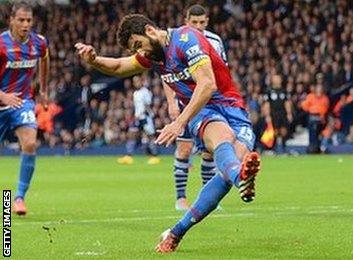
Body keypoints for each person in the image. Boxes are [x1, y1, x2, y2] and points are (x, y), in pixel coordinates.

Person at [75, 13, 260, 253]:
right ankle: (242, 178)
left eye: (138, 45)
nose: (139, 53)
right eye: (135, 49)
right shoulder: (153, 56)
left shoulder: (186, 39)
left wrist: (177, 123)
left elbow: (207, 84)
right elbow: (121, 66)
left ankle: (176, 232)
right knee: (222, 139)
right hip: (200, 111)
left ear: (150, 31)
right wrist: (94, 59)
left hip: (232, 108)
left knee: (227, 171)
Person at [164, 4, 227, 211]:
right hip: (185, 102)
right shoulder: (176, 41)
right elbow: (168, 74)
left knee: (209, 151)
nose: (198, 27)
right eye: (194, 23)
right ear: (186, 21)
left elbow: (221, 73)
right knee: (184, 148)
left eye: (202, 22)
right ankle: (181, 198)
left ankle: (206, 198)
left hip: (210, 101)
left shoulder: (215, 41)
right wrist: (171, 102)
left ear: (207, 21)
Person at [0, 2, 49, 216]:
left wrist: (44, 89)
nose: (26, 24)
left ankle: (18, 197)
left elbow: (45, 59)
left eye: (29, 20)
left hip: (23, 102)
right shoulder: (1, 44)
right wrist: (3, 96)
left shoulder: (39, 43)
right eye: (21, 20)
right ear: (11, 20)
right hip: (1, 101)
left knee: (30, 142)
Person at [117, 75, 161, 165]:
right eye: (134, 81)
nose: (135, 83)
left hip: (145, 117)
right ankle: (129, 156)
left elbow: (148, 105)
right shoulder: (135, 93)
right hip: (138, 117)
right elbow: (137, 106)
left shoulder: (146, 92)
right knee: (132, 134)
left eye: (137, 81)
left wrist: (143, 114)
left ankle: (155, 156)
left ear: (141, 81)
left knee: (150, 135)